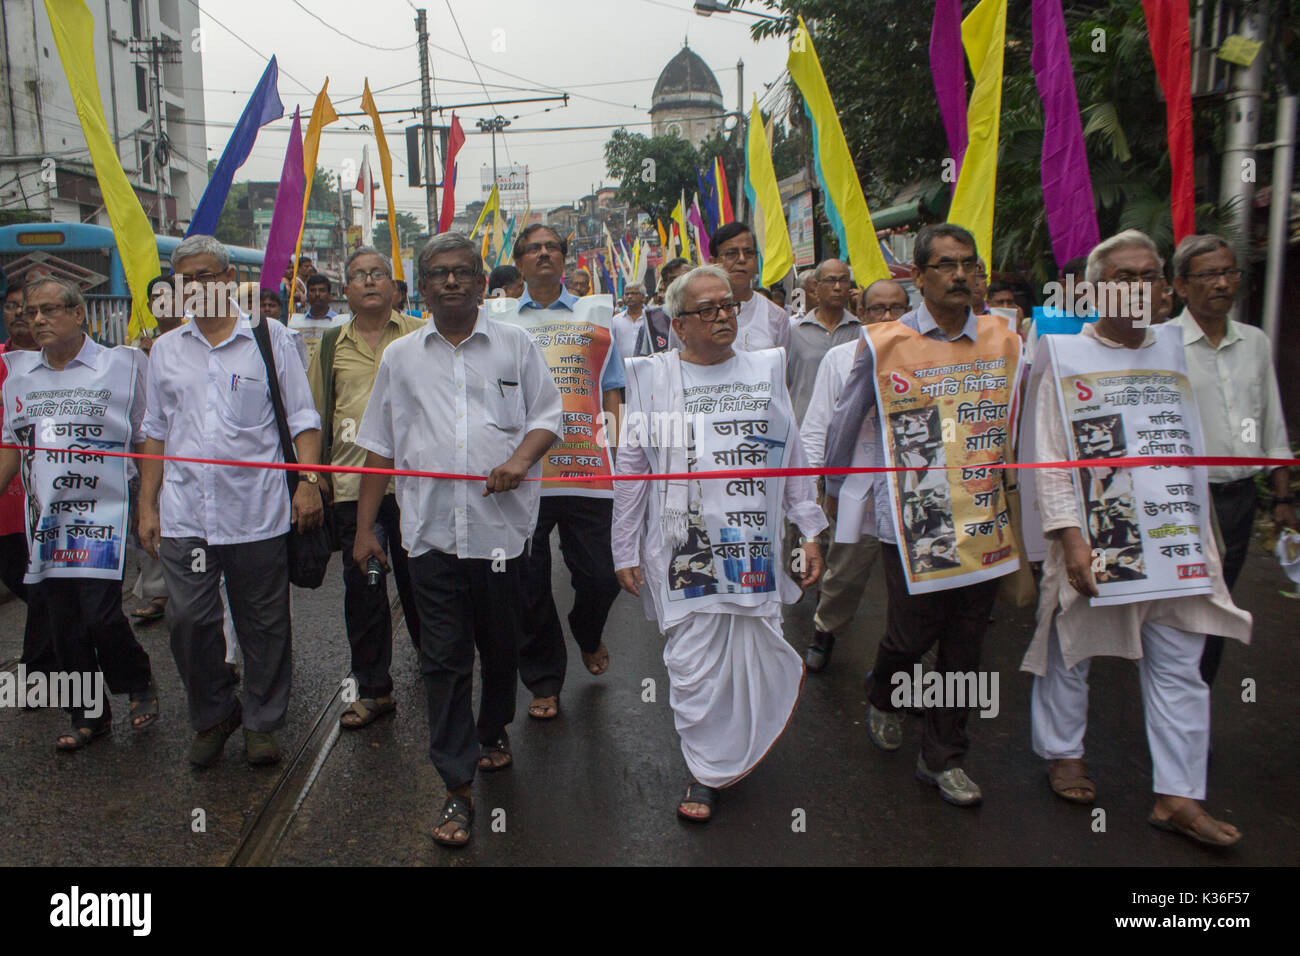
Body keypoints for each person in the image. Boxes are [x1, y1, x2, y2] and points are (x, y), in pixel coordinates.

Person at [1023, 230, 1253, 846]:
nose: (1142, 287)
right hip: (1101, 534)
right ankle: (1063, 752)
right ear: (1095, 291)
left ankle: (1179, 796)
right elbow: (1050, 458)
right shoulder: (1066, 355)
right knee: (1075, 647)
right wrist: (1071, 540)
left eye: (1150, 276)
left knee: (1181, 663)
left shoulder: (1177, 347)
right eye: (1126, 277)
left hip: (1174, 535)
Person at [353, 232, 562, 847]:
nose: (450, 282)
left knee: (499, 648)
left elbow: (548, 417)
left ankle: (493, 725)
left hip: (501, 534)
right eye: (438, 273)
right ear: (419, 286)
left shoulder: (516, 345)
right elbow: (380, 447)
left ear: (481, 282)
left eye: (462, 272)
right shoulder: (400, 358)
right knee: (443, 660)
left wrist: (521, 461)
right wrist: (366, 529)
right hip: (429, 536)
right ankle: (456, 787)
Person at [613, 264, 826, 822]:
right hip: (683, 548)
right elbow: (632, 468)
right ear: (678, 324)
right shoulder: (652, 377)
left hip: (752, 543)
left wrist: (809, 530)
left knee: (750, 653)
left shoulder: (764, 368)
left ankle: (739, 746)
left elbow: (792, 455)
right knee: (692, 664)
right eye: (706, 310)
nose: (721, 317)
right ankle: (706, 770)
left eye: (727, 306)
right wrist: (624, 548)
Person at [824, 224, 1023, 807]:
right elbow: (846, 419)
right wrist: (831, 490)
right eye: (946, 265)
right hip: (914, 521)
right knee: (911, 635)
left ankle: (944, 755)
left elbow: (1019, 422)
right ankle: (885, 693)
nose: (960, 275)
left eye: (969, 264)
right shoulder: (885, 341)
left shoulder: (1003, 337)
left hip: (984, 514)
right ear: (920, 275)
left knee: (966, 642)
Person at [138, 234, 324, 769]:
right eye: (186, 279)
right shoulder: (167, 349)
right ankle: (214, 712)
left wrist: (308, 480)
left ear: (226, 279)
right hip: (186, 514)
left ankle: (262, 722)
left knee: (262, 623)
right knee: (189, 621)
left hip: (257, 512)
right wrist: (147, 506)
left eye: (206, 276)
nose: (197, 287)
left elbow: (302, 418)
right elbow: (154, 430)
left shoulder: (269, 338)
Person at [0, 276, 158, 749]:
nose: (39, 319)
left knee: (100, 616)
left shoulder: (121, 366)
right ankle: (88, 715)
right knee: (61, 622)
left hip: (102, 519)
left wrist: (149, 503)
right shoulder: (20, 376)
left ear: (79, 314)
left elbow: (147, 436)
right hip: (45, 523)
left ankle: (137, 682)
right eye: (31, 312)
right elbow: (11, 447)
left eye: (50, 310)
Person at [510, 224, 625, 719]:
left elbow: (612, 387)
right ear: (518, 262)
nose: (542, 254)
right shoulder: (498, 321)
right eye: (532, 248)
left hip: (586, 469)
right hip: (524, 475)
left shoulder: (594, 316)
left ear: (564, 260)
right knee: (527, 582)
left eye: (551, 247)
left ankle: (587, 629)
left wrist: (619, 449)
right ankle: (543, 679)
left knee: (603, 575)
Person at [1170, 234, 1295, 686]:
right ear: (1182, 286)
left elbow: (1272, 423)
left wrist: (1282, 500)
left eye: (1229, 273)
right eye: (1209, 275)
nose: (1223, 283)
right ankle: (1175, 701)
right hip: (1184, 503)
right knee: (1183, 608)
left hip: (1238, 501)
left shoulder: (1255, 343)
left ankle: (1196, 701)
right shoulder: (1162, 345)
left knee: (1219, 606)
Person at [308, 247, 424, 729]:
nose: (369, 282)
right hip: (355, 489)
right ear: (346, 290)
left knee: (425, 589)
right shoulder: (331, 344)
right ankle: (373, 689)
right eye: (358, 275)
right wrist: (312, 480)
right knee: (364, 591)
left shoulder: (422, 334)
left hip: (419, 485)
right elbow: (315, 418)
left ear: (395, 287)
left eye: (378, 274)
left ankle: (440, 675)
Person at [800, 278, 908, 672]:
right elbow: (819, 425)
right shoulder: (842, 358)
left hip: (909, 489)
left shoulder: (925, 354)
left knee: (913, 579)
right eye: (877, 309)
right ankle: (824, 632)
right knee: (844, 570)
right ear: (861, 314)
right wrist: (816, 484)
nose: (887, 317)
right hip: (855, 489)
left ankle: (906, 660)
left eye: (896, 308)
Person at [0, 280, 57, 680]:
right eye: (12, 305)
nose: (21, 314)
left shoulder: (67, 366)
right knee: (26, 583)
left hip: (48, 502)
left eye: (30, 307)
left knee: (42, 587)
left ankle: (39, 668)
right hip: (5, 501)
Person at [786, 258, 861, 424]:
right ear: (816, 286)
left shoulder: (860, 331)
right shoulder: (794, 332)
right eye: (830, 281)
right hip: (804, 428)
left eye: (843, 281)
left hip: (847, 428)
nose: (837, 287)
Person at [709, 223, 790, 352]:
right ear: (713, 262)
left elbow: (781, 369)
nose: (742, 259)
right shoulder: (693, 315)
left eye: (749, 253)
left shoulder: (776, 316)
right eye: (731, 253)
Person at [289, 274, 347, 366]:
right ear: (307, 294)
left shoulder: (341, 323)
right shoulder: (296, 324)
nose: (317, 294)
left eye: (322, 290)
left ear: (329, 295)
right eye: (313, 290)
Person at [638, 257, 690, 355]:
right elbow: (644, 359)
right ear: (665, 285)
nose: (680, 283)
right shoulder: (652, 320)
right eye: (674, 279)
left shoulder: (708, 312)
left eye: (685, 277)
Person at [611, 281, 646, 362]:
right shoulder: (616, 320)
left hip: (646, 369)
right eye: (627, 294)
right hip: (622, 370)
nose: (629, 296)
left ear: (643, 297)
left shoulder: (650, 319)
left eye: (634, 293)